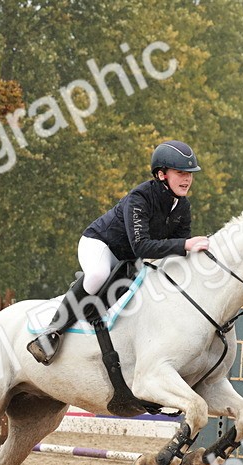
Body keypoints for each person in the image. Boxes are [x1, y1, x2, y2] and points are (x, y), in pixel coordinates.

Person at [26, 140, 212, 365]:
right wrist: (185, 245)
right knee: (97, 275)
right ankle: (51, 332)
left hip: (129, 259)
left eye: (190, 174)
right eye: (181, 172)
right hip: (101, 244)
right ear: (162, 174)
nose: (187, 179)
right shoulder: (140, 198)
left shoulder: (182, 206)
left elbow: (178, 246)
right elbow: (144, 246)